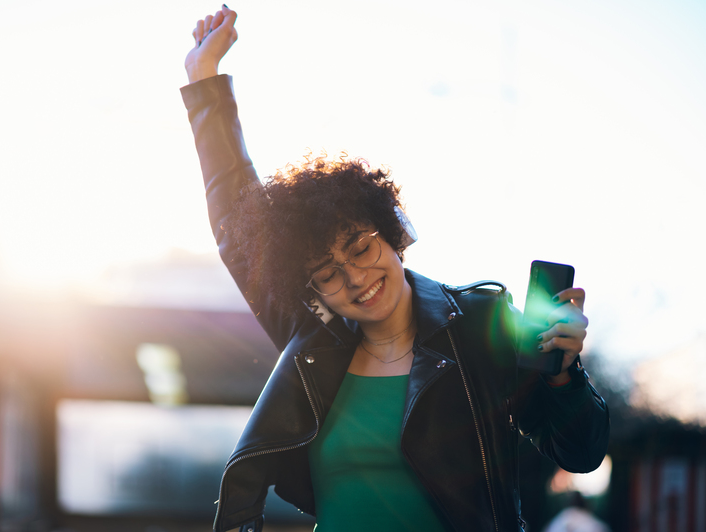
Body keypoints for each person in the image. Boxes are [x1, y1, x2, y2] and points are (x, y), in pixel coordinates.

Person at [181, 7, 610, 532]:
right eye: (328, 272)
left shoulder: (480, 323)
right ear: (311, 287)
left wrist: (565, 376)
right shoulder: (311, 341)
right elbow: (238, 224)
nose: (355, 278)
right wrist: (205, 83)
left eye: (359, 247)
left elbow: (580, 454)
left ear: (391, 232)